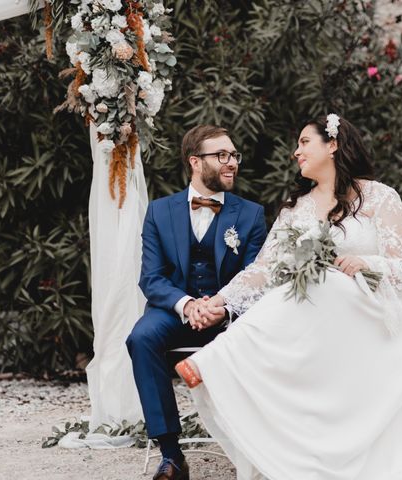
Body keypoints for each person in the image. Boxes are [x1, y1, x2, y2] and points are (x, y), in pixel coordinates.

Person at [176, 115, 402, 479]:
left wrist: (364, 263)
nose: (296, 152)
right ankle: (221, 361)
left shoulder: (380, 197)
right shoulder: (296, 208)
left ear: (332, 144)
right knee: (301, 284)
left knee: (327, 281)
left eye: (305, 142)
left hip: (366, 316)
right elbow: (265, 269)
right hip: (316, 322)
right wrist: (220, 301)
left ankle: (219, 358)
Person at [126, 125, 268, 480]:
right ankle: (172, 456)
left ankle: (258, 448)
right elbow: (152, 278)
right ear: (195, 161)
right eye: (221, 155)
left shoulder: (251, 214)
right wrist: (188, 305)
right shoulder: (160, 211)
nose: (231, 162)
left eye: (234, 155)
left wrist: (221, 308)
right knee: (141, 338)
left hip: (231, 318)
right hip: (176, 313)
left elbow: (255, 277)